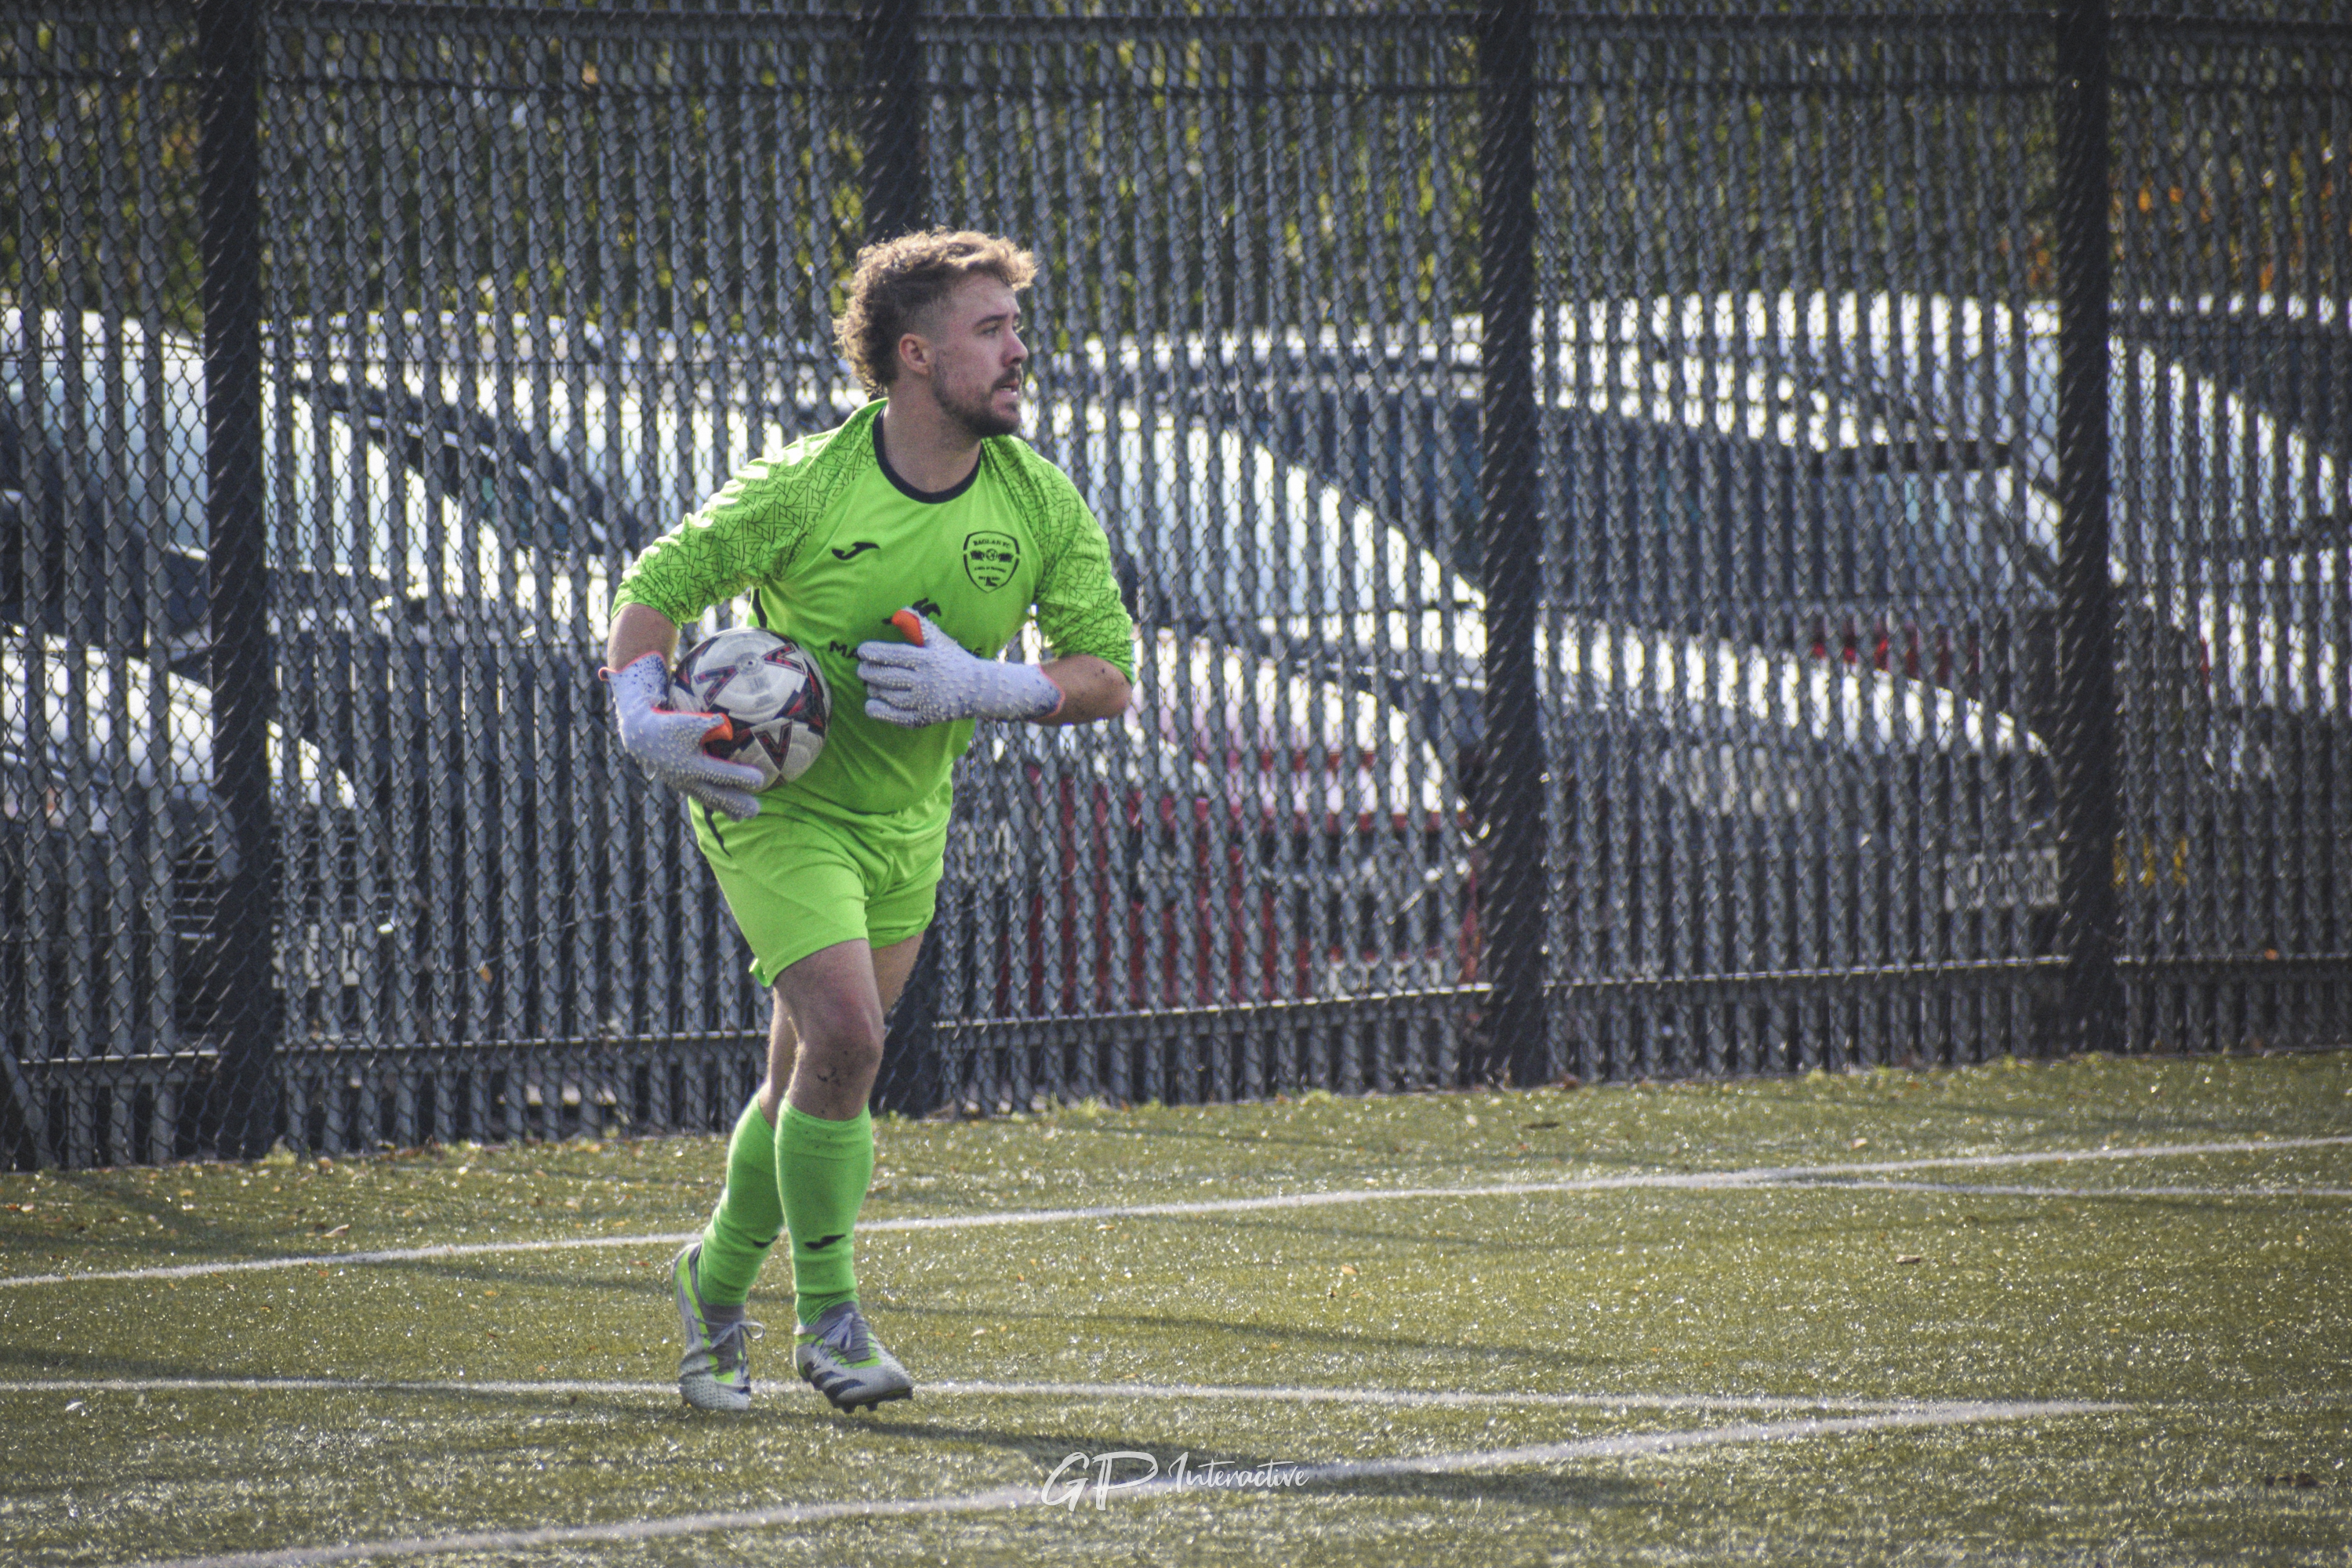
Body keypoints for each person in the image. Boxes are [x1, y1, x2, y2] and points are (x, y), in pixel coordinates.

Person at [601, 230, 1135, 1413]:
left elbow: (1108, 674)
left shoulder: (1040, 500)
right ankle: (832, 1321)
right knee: (849, 1039)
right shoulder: (805, 484)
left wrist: (991, 687)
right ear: (913, 354)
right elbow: (658, 585)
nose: (1019, 353)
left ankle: (713, 1283)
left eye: (1016, 327)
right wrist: (644, 705)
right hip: (776, 806)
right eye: (991, 331)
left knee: (812, 1071)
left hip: (908, 818)